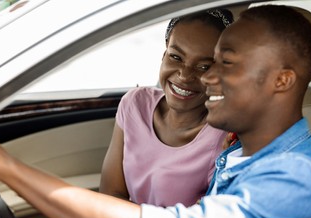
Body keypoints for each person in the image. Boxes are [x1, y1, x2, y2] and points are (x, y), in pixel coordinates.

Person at [0, 4, 311, 218]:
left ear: (282, 80)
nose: (205, 78)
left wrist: (4, 166)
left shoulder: (296, 179)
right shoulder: (247, 156)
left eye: (225, 64)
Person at [99, 9, 233, 207]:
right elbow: (110, 194)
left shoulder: (224, 137)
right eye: (176, 57)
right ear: (164, 55)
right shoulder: (135, 104)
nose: (185, 75)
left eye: (204, 66)